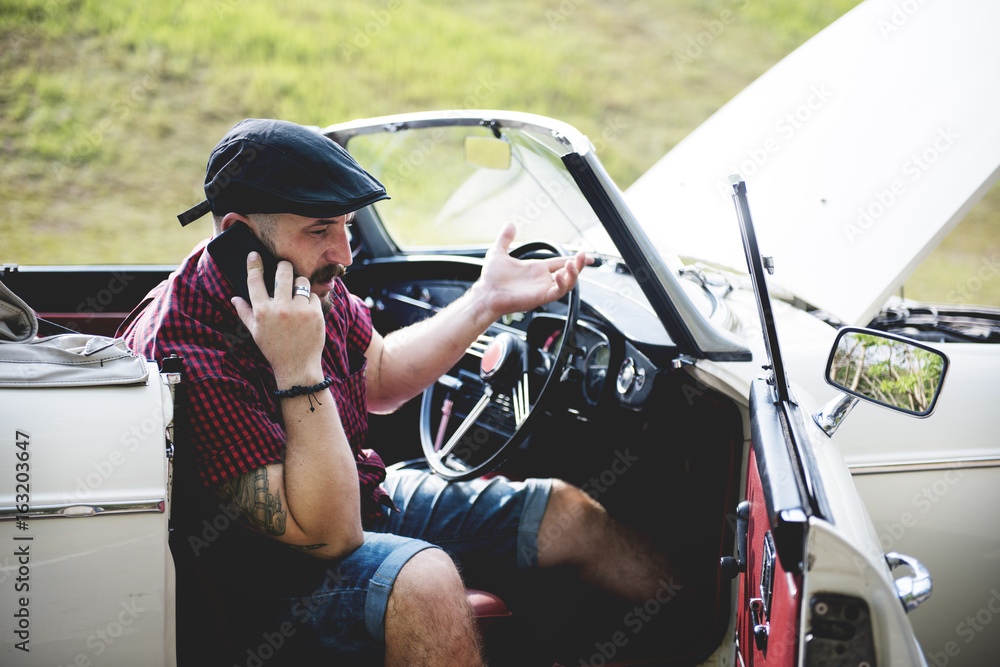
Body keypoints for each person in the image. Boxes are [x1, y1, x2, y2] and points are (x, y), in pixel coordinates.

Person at [122, 118, 683, 666]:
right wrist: (297, 368)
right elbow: (330, 537)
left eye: (345, 226)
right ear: (237, 235)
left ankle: (710, 640)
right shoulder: (187, 349)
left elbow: (381, 376)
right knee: (427, 580)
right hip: (260, 572)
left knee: (563, 511)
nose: (343, 253)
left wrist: (484, 302)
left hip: (358, 494)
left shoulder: (298, 279)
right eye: (319, 230)